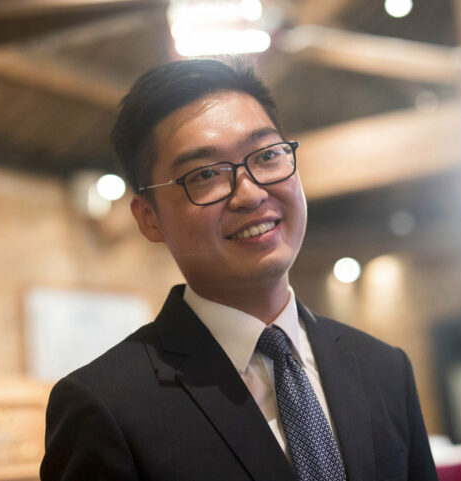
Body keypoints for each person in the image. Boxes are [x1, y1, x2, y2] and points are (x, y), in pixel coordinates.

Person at [40, 58, 438, 481]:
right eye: (206, 173)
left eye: (267, 155)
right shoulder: (105, 406)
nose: (249, 193)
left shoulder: (383, 368)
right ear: (148, 218)